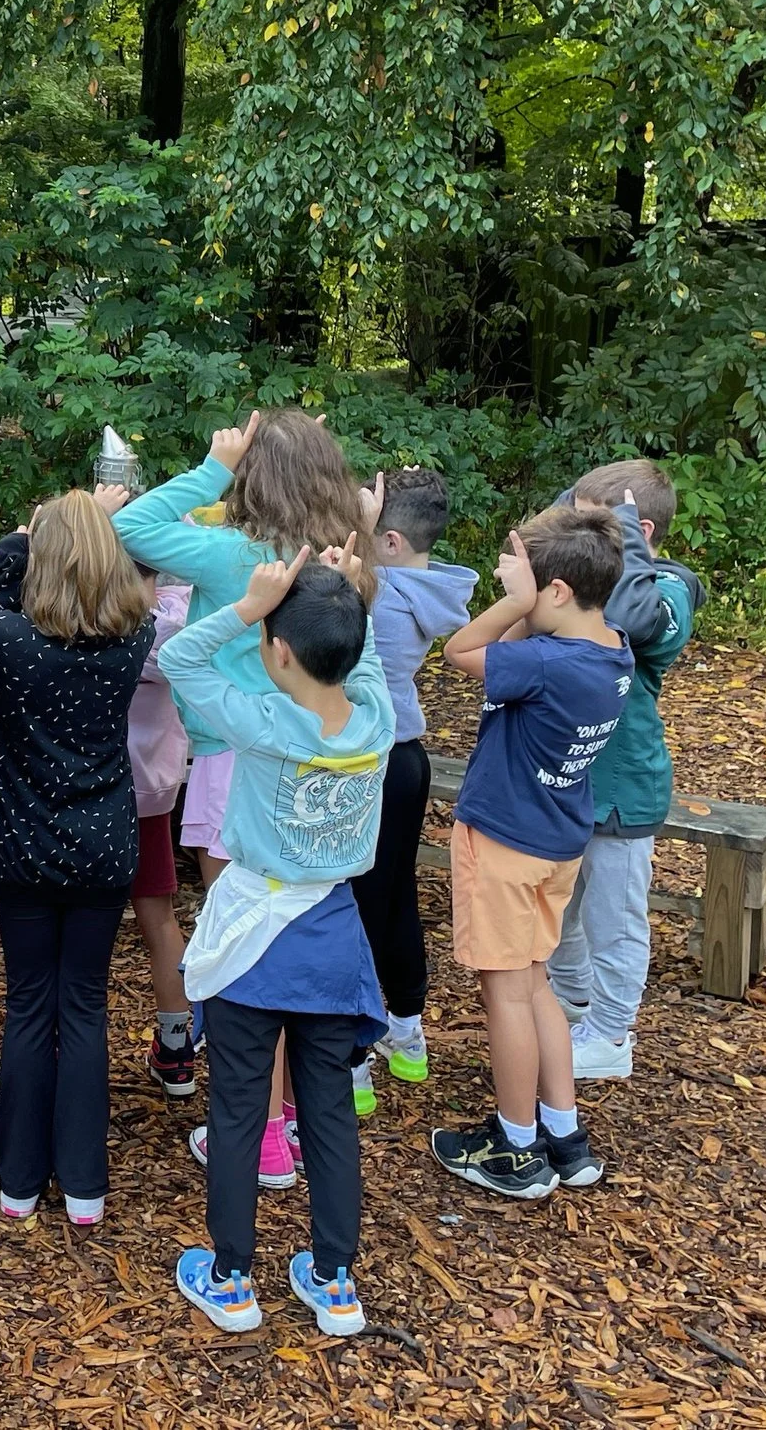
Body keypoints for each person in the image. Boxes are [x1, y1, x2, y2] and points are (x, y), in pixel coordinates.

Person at [113, 411, 377, 1179]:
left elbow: (131, 524)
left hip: (235, 766)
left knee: (245, 963)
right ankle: (292, 1116)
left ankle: (257, 1135)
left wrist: (212, 467)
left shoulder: (236, 555)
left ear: (251, 479)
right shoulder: (339, 563)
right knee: (292, 943)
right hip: (317, 756)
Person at [161, 547, 393, 1338]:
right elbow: (364, 664)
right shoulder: (376, 717)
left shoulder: (261, 720)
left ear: (278, 650)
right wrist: (350, 589)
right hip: (331, 940)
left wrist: (245, 607)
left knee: (236, 1109)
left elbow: (176, 655)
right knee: (328, 1112)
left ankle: (231, 1277)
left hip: (255, 945)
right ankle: (333, 1280)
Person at [0, 491, 154, 1227]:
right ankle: (85, 1186)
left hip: (24, 843)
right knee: (86, 1003)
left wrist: (12, 543)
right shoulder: (135, 636)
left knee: (32, 1002)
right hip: (103, 843)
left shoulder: (5, 640)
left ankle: (18, 1182)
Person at [430, 507, 634, 1200]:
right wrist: (529, 601)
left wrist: (510, 602)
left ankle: (515, 1144)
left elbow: (460, 651)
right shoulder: (612, 650)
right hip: (557, 841)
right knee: (536, 980)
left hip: (505, 841)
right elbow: (519, 648)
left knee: (505, 992)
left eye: (527, 584)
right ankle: (563, 1131)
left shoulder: (544, 661)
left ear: (553, 592)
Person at [551, 462, 703, 1083]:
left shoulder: (667, 592)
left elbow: (640, 624)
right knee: (560, 913)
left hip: (622, 789)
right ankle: (570, 1007)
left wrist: (629, 546)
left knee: (613, 920)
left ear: (639, 533)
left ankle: (612, 1036)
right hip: (568, 780)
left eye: (597, 527)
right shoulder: (597, 577)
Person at [349, 467, 479, 1112]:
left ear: (391, 539)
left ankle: (352, 1062)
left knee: (352, 904)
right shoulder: (424, 589)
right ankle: (407, 1034)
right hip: (406, 758)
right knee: (394, 895)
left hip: (363, 760)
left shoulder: (379, 597)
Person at [129, 568, 196, 1096]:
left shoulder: (103, 615)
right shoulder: (185, 618)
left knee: (86, 921)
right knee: (158, 913)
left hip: (93, 791)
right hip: (153, 789)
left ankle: (69, 1042)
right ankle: (176, 1045)